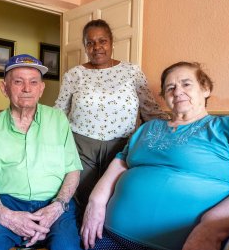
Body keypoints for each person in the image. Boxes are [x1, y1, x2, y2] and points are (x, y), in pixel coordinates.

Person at [81, 61, 229, 250]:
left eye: (186, 84)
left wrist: (210, 227)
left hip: (182, 246)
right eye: (170, 87)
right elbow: (120, 163)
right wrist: (96, 201)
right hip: (109, 236)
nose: (177, 92)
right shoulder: (147, 128)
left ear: (205, 89)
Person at [0, 54, 83, 250]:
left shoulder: (58, 120)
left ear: (41, 88)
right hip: (8, 204)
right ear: (4, 88)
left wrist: (58, 206)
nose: (27, 89)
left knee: (67, 249)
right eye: (18, 82)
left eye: (33, 82)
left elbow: (73, 171)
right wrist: (6, 215)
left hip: (55, 203)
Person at [55, 19, 168, 212]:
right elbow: (59, 111)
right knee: (81, 201)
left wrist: (178, 126)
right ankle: (80, 240)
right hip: (81, 147)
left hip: (122, 147)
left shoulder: (132, 72)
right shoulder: (75, 74)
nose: (96, 47)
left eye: (102, 41)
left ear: (112, 42)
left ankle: (107, 241)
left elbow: (150, 110)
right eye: (90, 43)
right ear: (85, 46)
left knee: (114, 201)